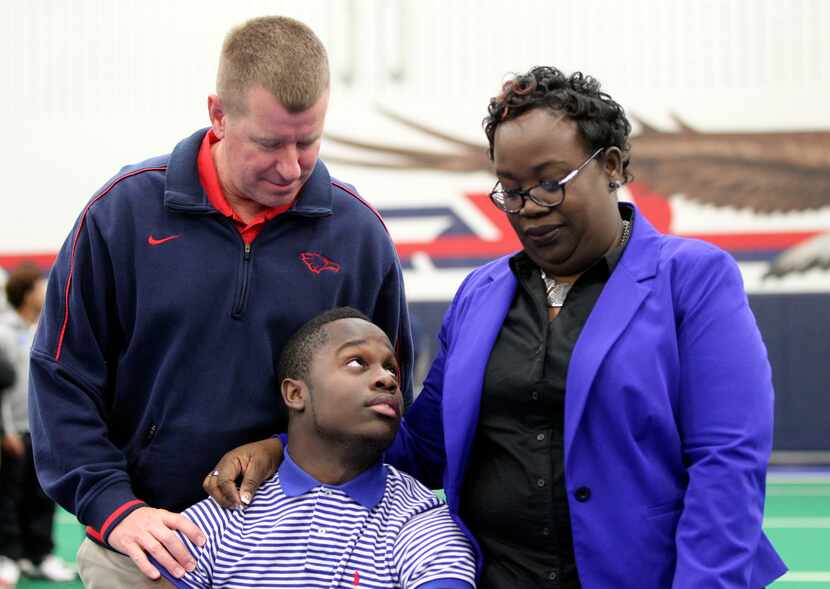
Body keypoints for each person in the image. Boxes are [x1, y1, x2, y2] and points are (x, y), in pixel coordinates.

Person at [208, 66, 788, 588]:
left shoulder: (692, 278)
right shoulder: (481, 295)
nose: (529, 206)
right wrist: (280, 449)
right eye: (509, 190)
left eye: (550, 182)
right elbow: (424, 446)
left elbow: (727, 461)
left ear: (610, 166)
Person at [28, 15, 412, 589]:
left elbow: (384, 404)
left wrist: (278, 449)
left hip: (298, 554)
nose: (290, 167)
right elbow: (62, 377)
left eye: (308, 141)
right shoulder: (123, 214)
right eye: (269, 143)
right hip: (148, 546)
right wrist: (114, 507)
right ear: (218, 114)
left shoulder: (357, 236)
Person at [151, 307, 476, 589]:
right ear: (295, 394)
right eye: (356, 362)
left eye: (391, 368)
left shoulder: (422, 520)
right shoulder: (219, 516)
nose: (387, 380)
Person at [0, 263, 76, 587]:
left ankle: (39, 555)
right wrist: (4, 430)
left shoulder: (42, 329)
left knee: (43, 495)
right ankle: (10, 555)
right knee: (9, 497)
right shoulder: (3, 331)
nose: (45, 291)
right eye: (39, 286)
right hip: (13, 431)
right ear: (26, 292)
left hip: (41, 431)